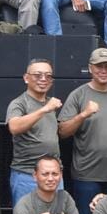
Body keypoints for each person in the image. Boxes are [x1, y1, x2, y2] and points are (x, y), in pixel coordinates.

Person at [59, 47, 107, 214]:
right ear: (90, 68)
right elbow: (62, 132)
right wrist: (83, 115)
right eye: (99, 66)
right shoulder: (78, 95)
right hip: (87, 174)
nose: (104, 70)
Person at [7, 59, 64, 198]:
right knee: (26, 212)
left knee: (56, 212)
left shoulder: (51, 103)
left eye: (48, 76)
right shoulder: (19, 103)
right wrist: (45, 109)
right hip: (27, 174)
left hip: (53, 175)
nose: (43, 79)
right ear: (26, 78)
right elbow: (14, 127)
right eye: (38, 75)